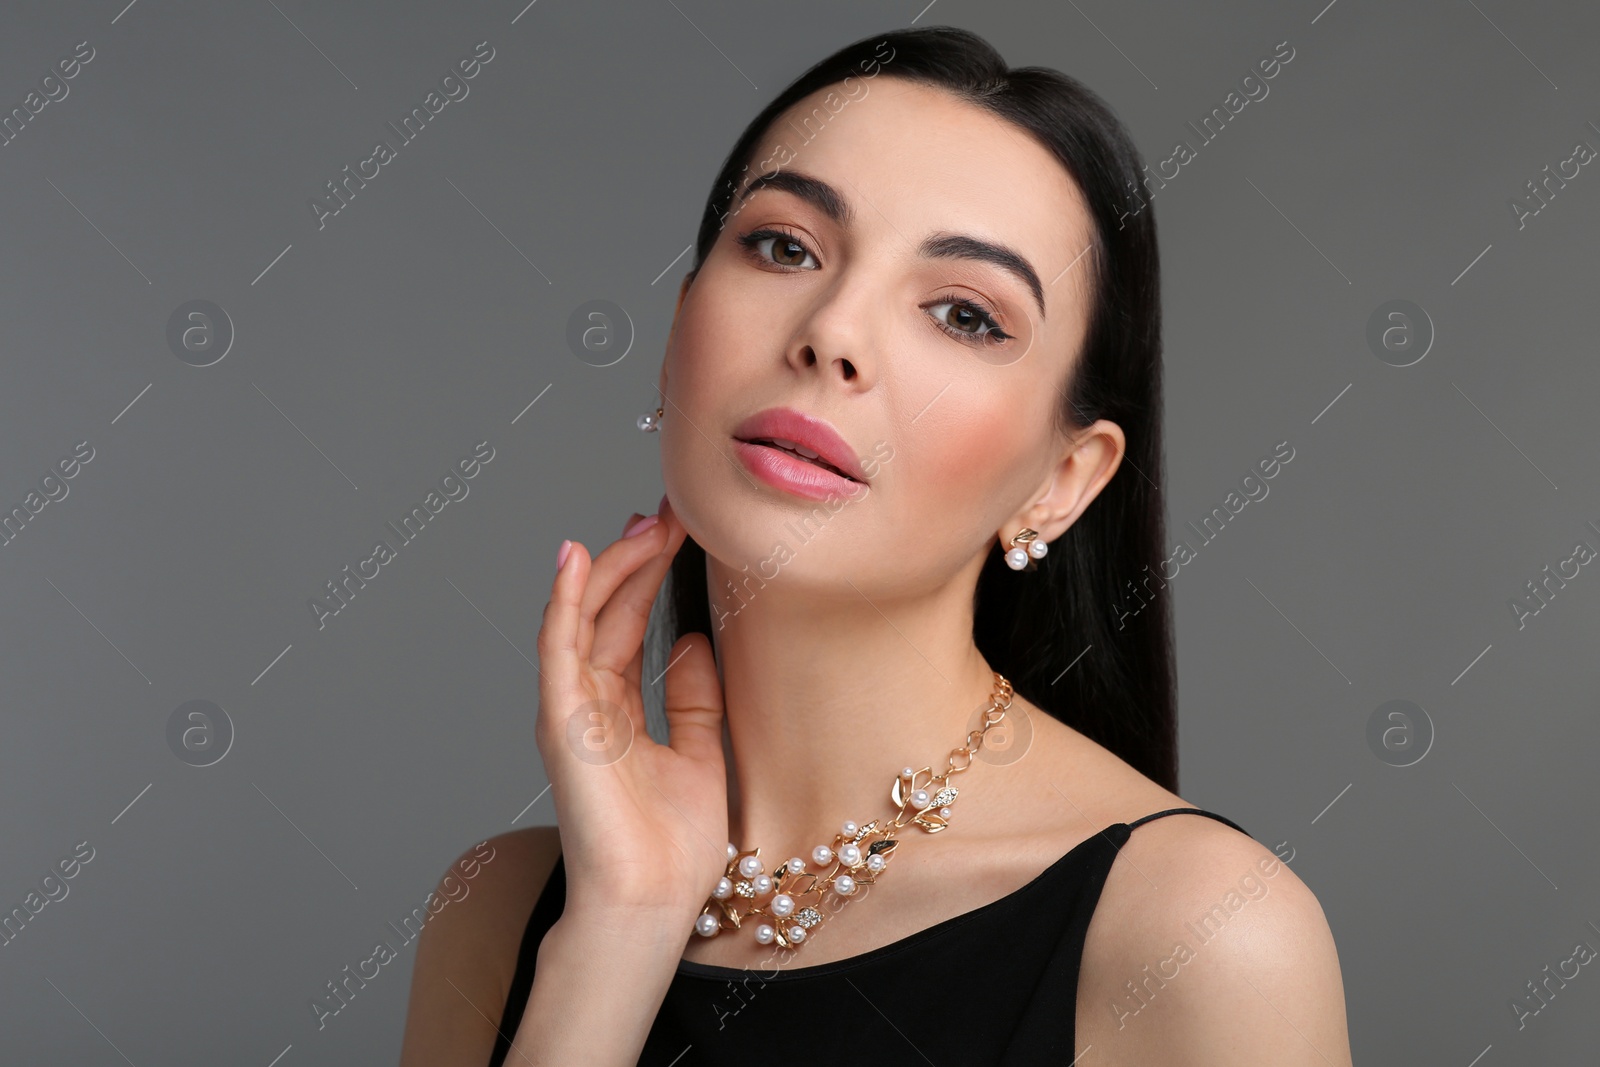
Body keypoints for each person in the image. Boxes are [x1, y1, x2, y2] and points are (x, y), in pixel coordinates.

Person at [400, 24, 1352, 1066]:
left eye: (962, 313)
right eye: (784, 246)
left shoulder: (1200, 933)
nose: (833, 331)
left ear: (1060, 480)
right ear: (677, 335)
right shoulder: (498, 908)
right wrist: (619, 928)